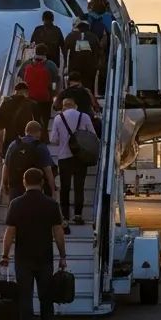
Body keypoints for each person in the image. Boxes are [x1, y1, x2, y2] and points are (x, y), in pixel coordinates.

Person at [0, 168, 67, 320]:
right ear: (43, 182)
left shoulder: (16, 204)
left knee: (25, 299)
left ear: (24, 182)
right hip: (45, 258)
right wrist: (62, 256)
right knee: (46, 298)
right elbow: (58, 233)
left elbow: (10, 233)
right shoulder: (51, 204)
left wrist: (5, 255)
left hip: (23, 258)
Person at [50, 98, 98, 231]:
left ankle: (65, 216)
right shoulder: (84, 116)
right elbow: (93, 135)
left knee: (65, 188)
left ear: (63, 107)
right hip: (81, 157)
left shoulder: (58, 119)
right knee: (79, 187)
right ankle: (78, 215)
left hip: (64, 157)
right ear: (75, 106)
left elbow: (53, 139)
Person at [2, 121, 56, 202]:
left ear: (26, 131)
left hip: (15, 188)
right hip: (34, 189)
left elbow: (5, 167)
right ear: (39, 132)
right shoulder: (40, 146)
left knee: (15, 211)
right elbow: (48, 171)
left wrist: (4, 184)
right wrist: (53, 190)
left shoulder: (14, 144)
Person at [21, 45, 58, 132]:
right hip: (45, 97)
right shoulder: (51, 65)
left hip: (30, 97)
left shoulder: (27, 64)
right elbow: (55, 81)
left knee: (31, 118)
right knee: (45, 118)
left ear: (35, 52)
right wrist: (54, 94)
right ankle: (44, 135)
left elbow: (22, 77)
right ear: (46, 53)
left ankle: (31, 134)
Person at [0, 82, 37, 157]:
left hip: (9, 145)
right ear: (26, 92)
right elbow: (37, 128)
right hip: (27, 145)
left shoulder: (5, 104)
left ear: (15, 91)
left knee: (9, 166)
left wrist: (1, 147)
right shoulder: (32, 104)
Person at [63, 19, 100, 91]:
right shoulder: (93, 37)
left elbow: (65, 51)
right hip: (89, 67)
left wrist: (65, 65)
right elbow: (98, 52)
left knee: (73, 86)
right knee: (88, 87)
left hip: (74, 66)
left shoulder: (71, 36)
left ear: (78, 28)